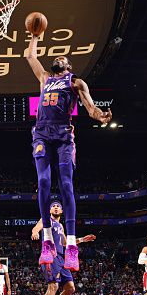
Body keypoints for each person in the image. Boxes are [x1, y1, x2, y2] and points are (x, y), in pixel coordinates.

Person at [26, 33, 112, 271]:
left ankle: (72, 245)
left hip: (64, 135)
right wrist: (35, 36)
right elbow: (30, 55)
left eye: (62, 58)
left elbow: (90, 108)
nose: (58, 58)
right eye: (56, 57)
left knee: (66, 185)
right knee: (43, 182)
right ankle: (47, 241)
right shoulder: (44, 78)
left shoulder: (75, 82)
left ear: (68, 66)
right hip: (42, 133)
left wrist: (101, 117)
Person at [31, 200, 96, 295]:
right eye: (53, 206)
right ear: (49, 210)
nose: (55, 208)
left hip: (62, 257)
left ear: (61, 211)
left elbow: (66, 243)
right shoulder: (46, 220)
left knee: (70, 288)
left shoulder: (61, 226)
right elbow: (36, 227)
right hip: (51, 255)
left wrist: (82, 239)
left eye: (58, 207)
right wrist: (35, 232)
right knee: (53, 286)